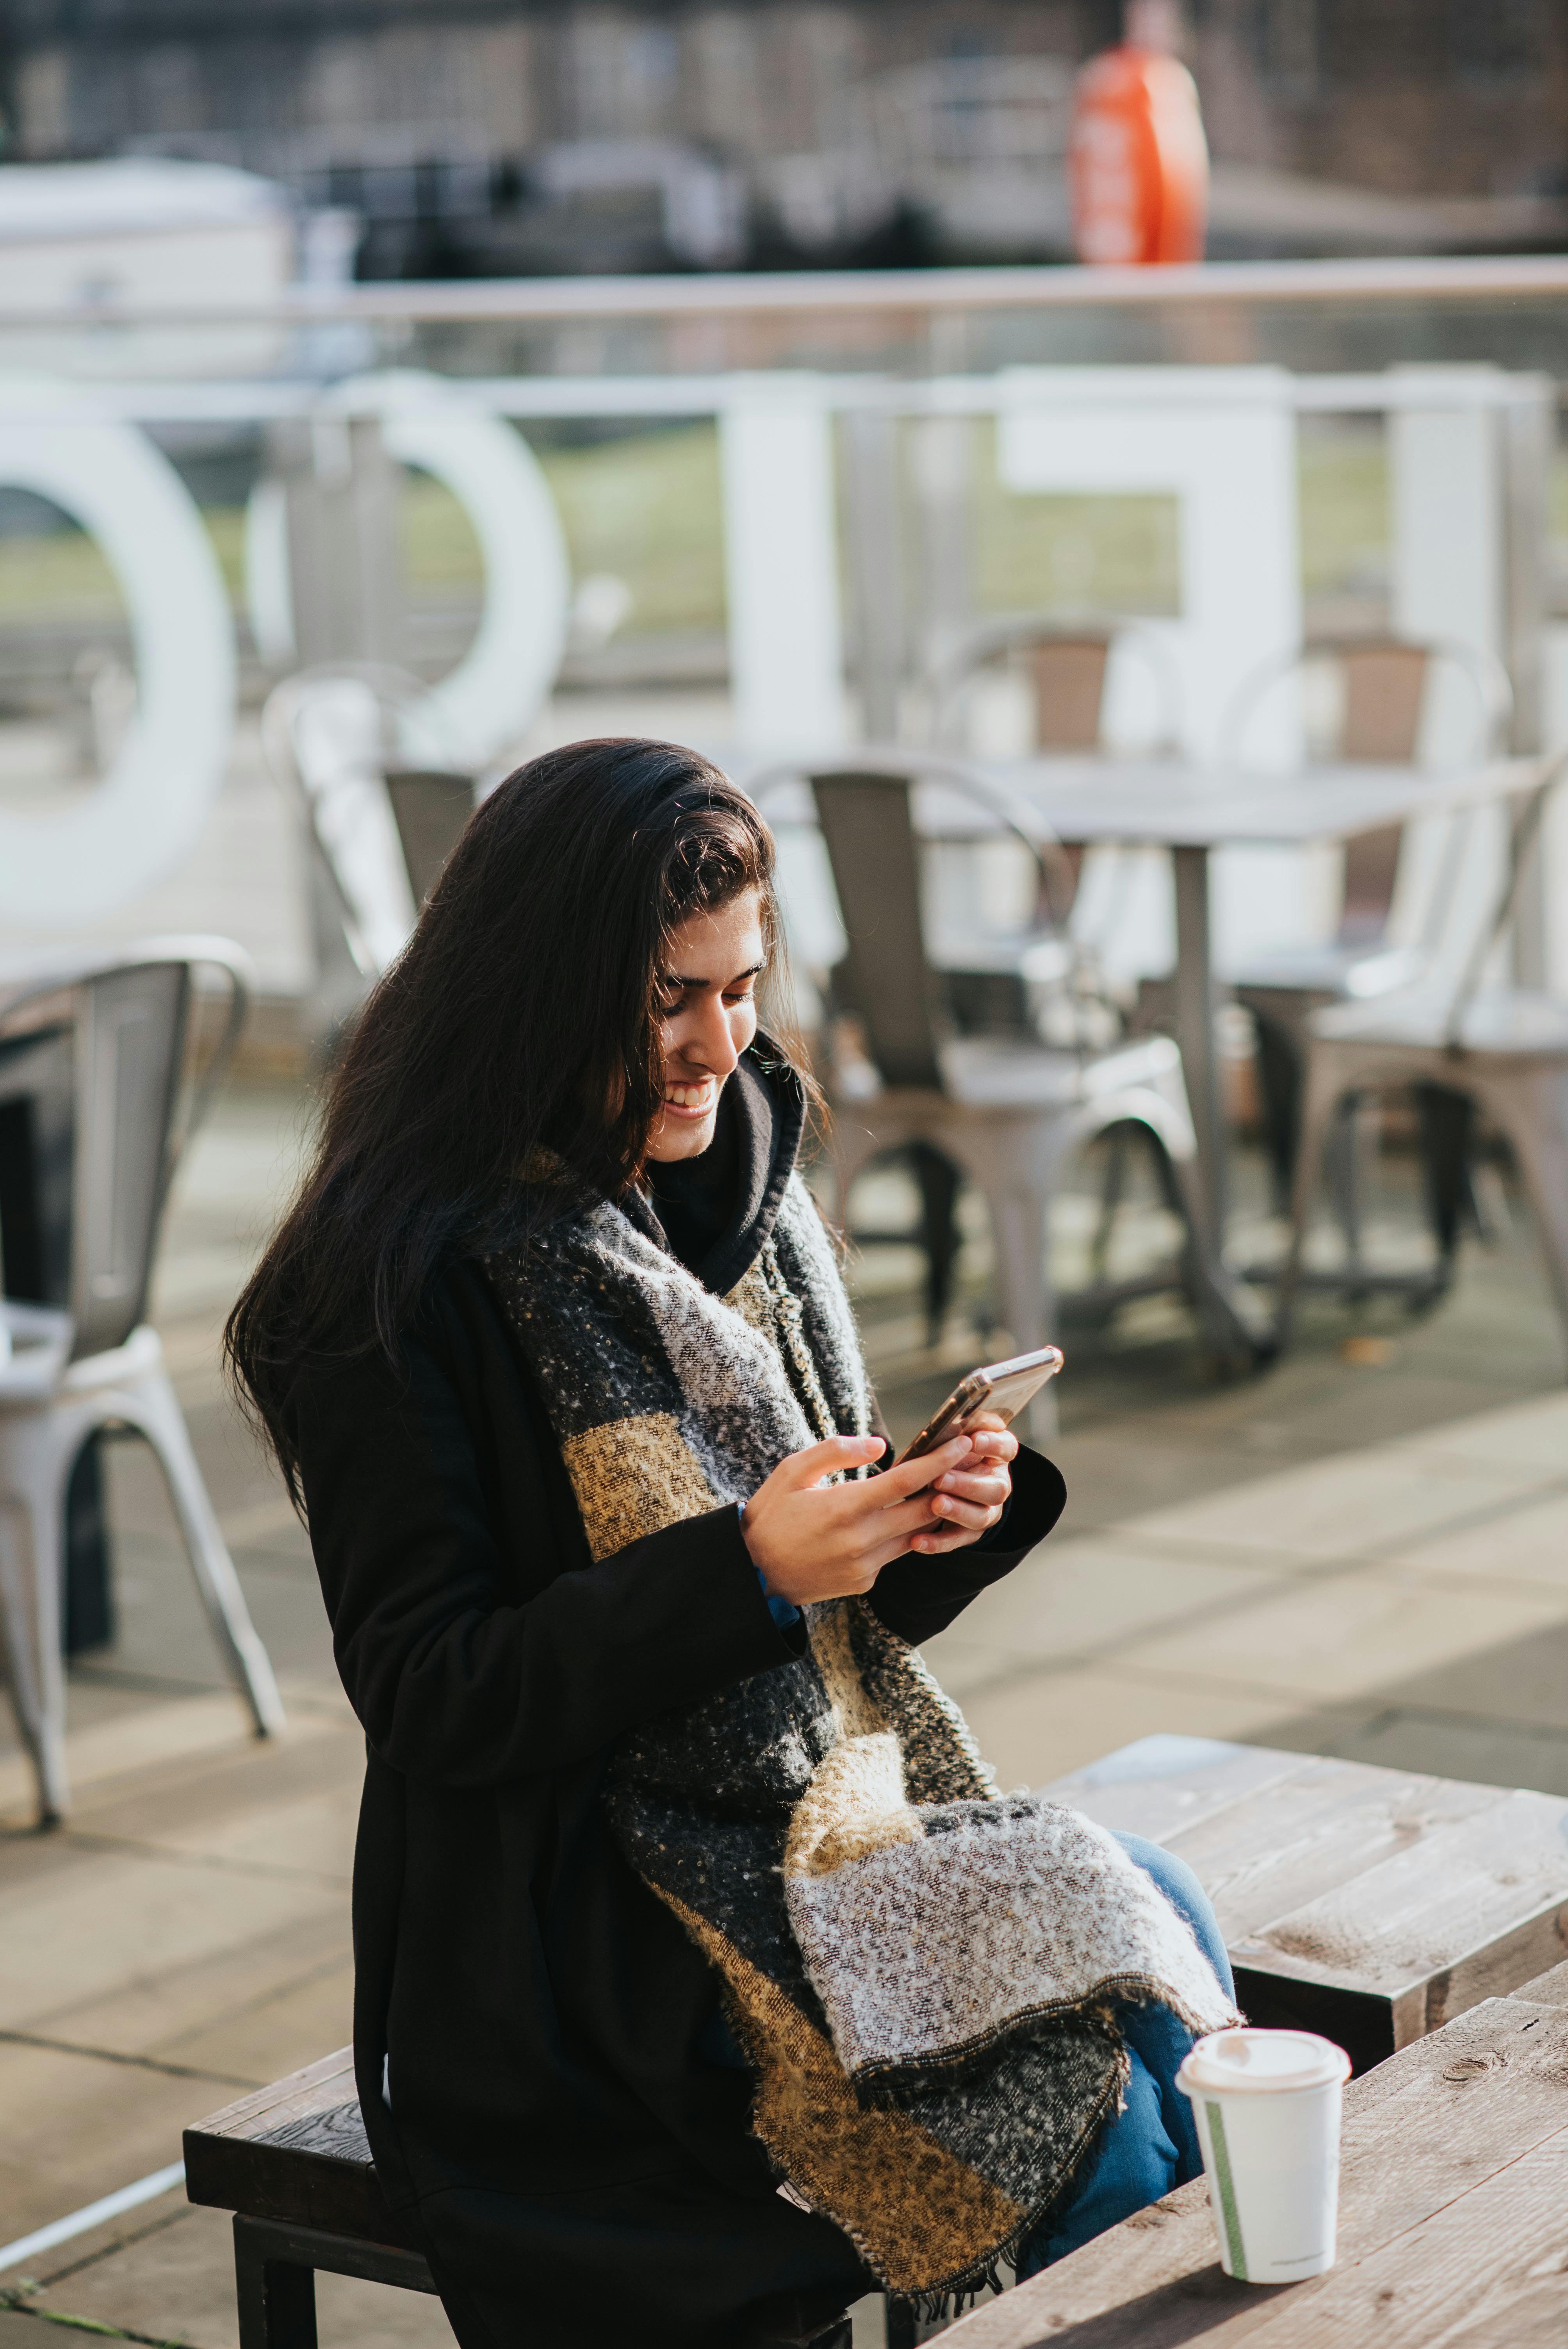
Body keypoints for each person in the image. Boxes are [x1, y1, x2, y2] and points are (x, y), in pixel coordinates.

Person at [226, 740, 1235, 2349]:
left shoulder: (743, 1180)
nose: (717, 1044)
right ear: (543, 994)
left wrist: (918, 1519)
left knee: (1162, 1917)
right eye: (665, 1002)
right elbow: (433, 1692)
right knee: (1089, 2083)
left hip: (805, 1824)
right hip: (581, 1925)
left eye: (741, 987)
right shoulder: (384, 1284)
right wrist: (751, 1570)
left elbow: (809, 1633)